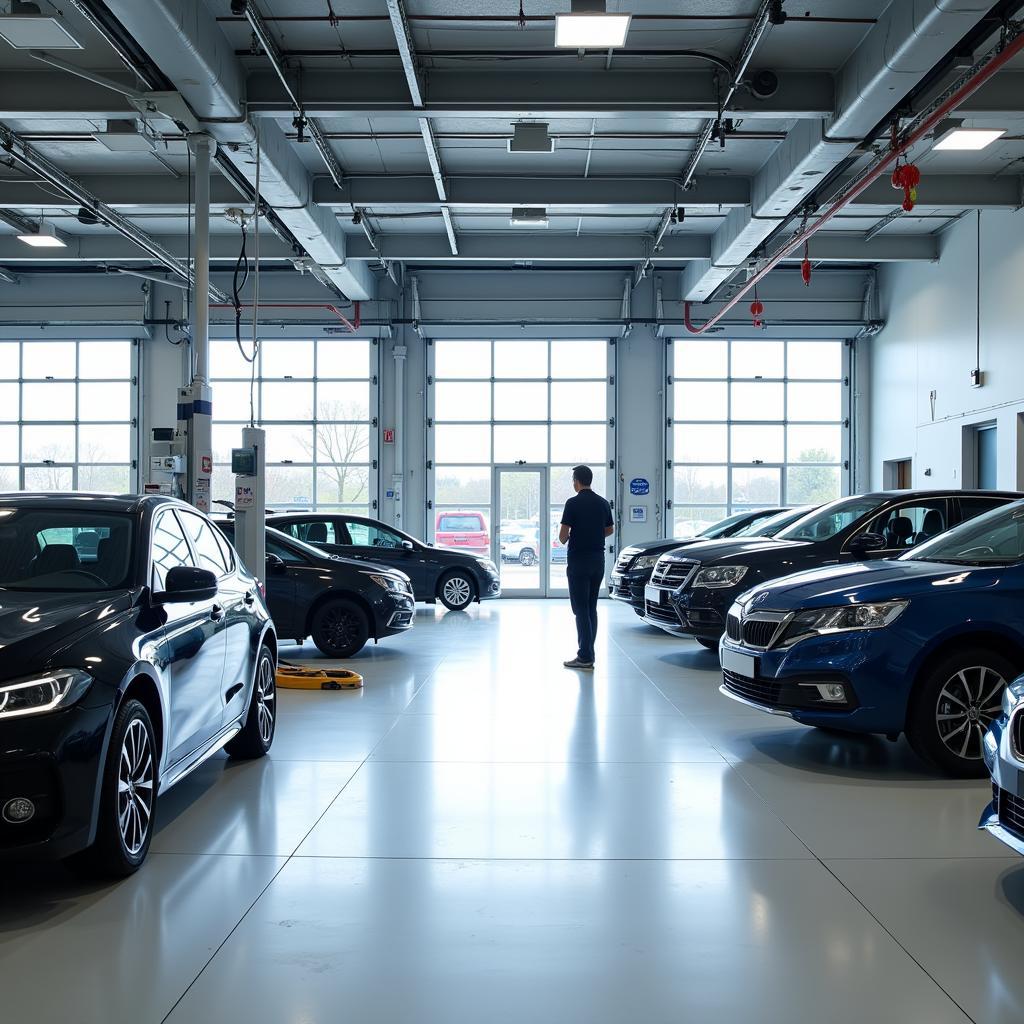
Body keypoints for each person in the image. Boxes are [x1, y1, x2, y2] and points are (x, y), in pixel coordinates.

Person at [558, 465, 614, 670]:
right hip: (598, 561)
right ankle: (588, 652)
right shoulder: (602, 503)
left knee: (580, 609)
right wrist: (594, 535)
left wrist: (574, 535)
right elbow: (609, 529)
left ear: (577, 481)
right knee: (591, 608)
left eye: (573, 480)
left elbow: (563, 537)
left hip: (578, 562)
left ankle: (585, 656)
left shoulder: (572, 503)